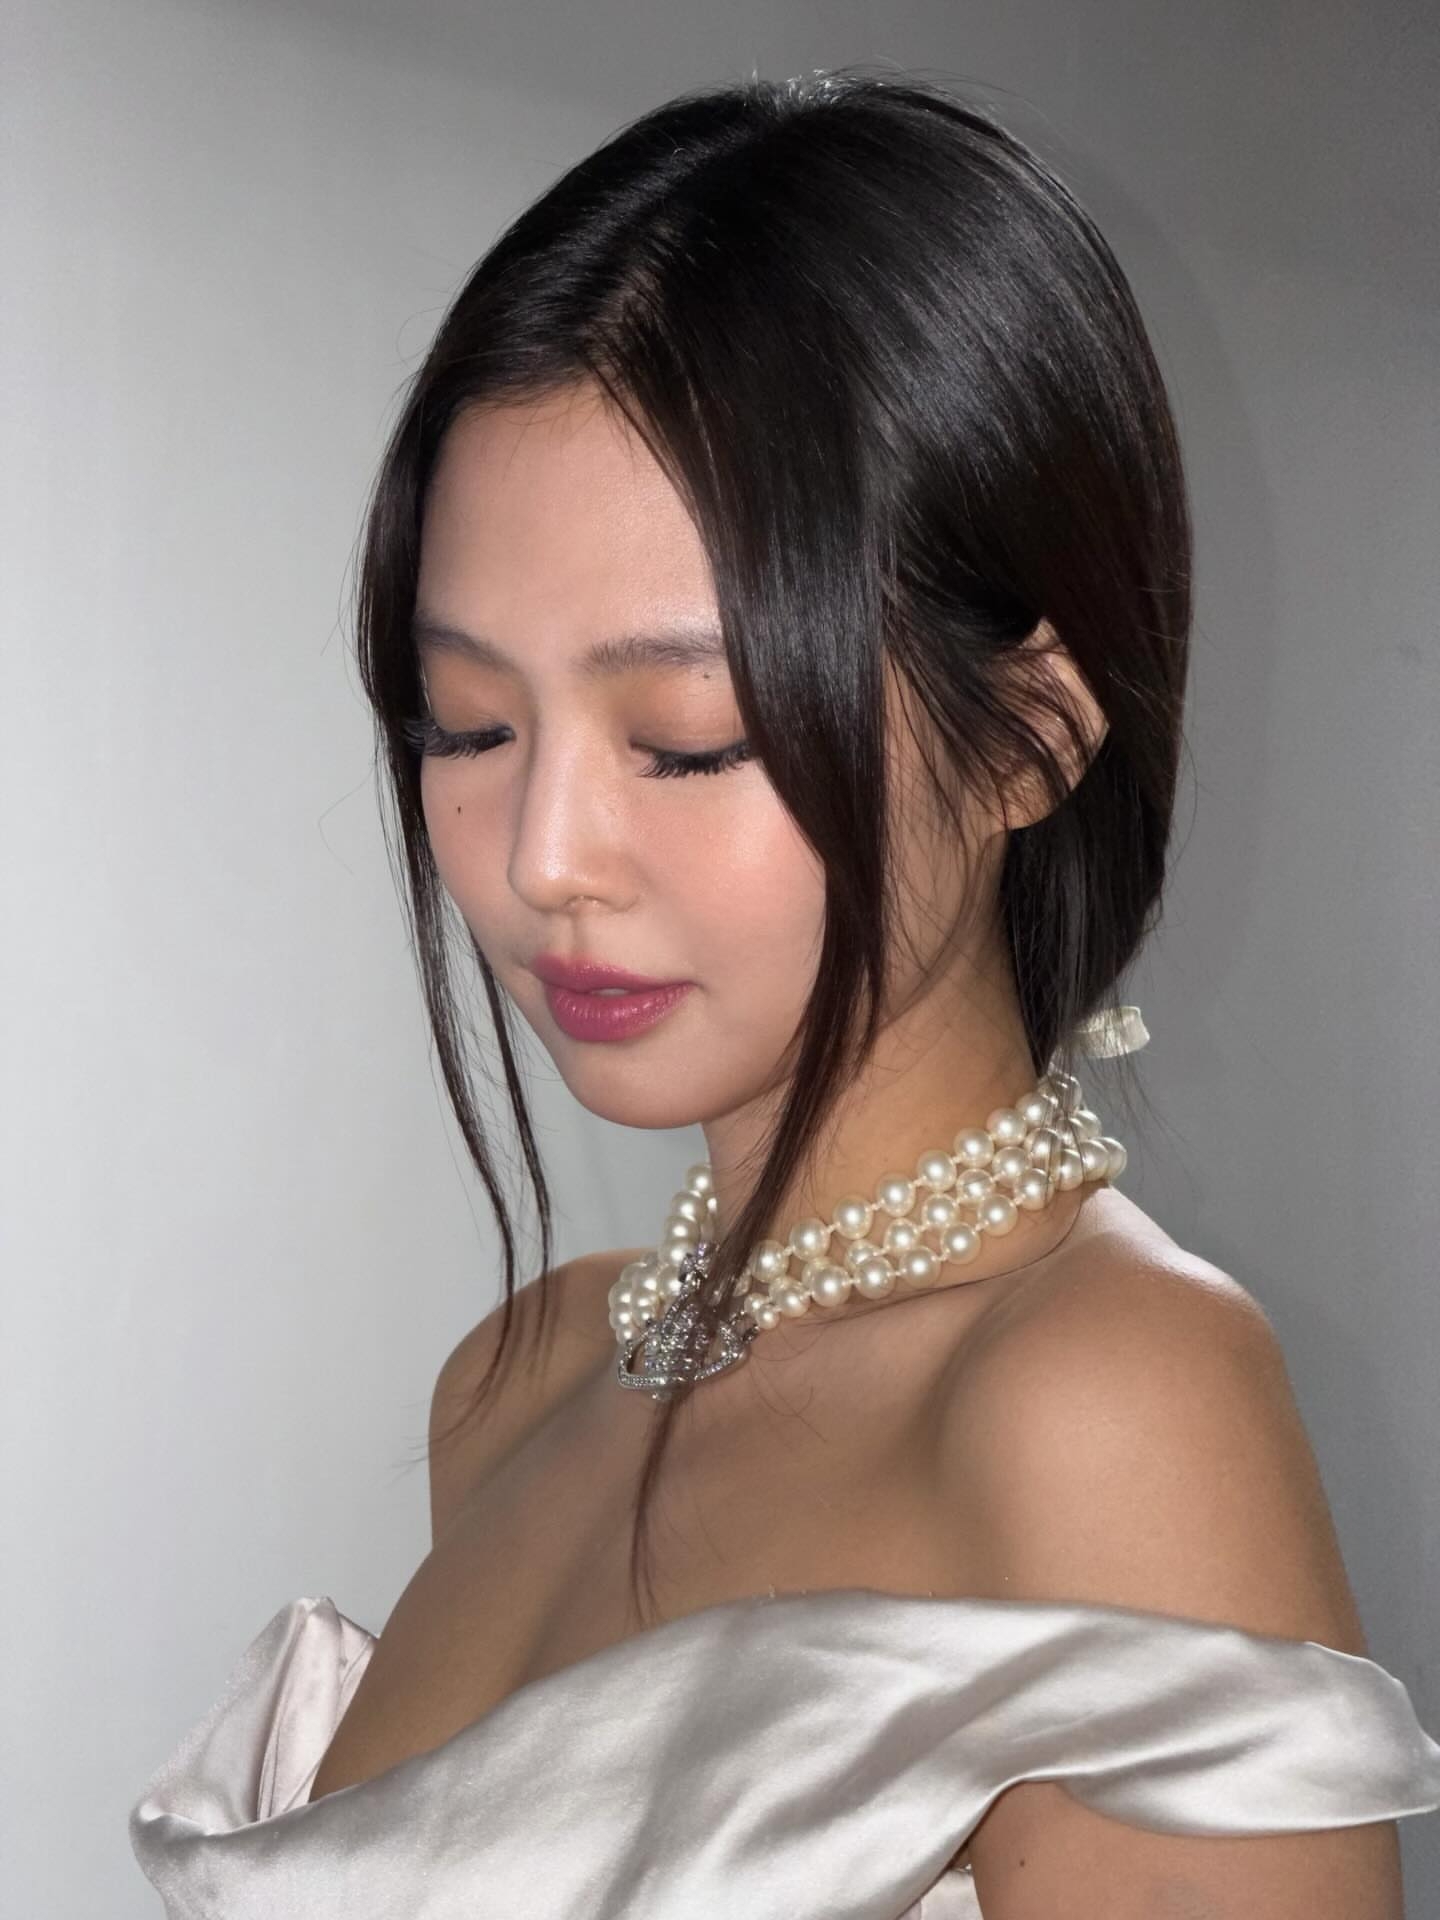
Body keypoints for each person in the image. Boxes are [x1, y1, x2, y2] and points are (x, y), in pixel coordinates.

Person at [129, 68, 1440, 1918]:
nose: (543, 856)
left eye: (686, 739)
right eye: (470, 723)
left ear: (1030, 739)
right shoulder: (517, 1384)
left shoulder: (1105, 1400)